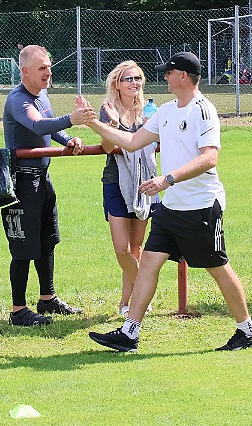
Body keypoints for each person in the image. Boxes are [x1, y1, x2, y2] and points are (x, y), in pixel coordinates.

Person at [85, 51, 252, 352]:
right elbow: (130, 141)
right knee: (149, 263)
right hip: (172, 207)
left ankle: (247, 331)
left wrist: (166, 180)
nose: (164, 77)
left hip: (202, 205)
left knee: (218, 267)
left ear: (183, 76)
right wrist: (93, 123)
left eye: (168, 72)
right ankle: (130, 332)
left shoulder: (203, 110)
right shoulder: (165, 111)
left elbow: (209, 157)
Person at [1, 44, 88, 326]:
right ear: (25, 71)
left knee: (48, 240)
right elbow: (38, 126)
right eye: (42, 68)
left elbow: (52, 127)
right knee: (23, 247)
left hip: (43, 179)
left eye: (49, 66)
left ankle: (47, 298)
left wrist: (67, 140)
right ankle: (18, 310)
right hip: (21, 183)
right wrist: (72, 120)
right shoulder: (18, 100)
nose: (48, 72)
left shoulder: (42, 93)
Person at [98, 61, 156, 317]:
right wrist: (113, 123)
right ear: (117, 84)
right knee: (121, 248)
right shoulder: (108, 109)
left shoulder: (148, 111)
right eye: (128, 79)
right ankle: (146, 289)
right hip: (115, 181)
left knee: (136, 247)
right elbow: (108, 148)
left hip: (143, 181)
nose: (134, 83)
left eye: (138, 78)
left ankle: (127, 303)